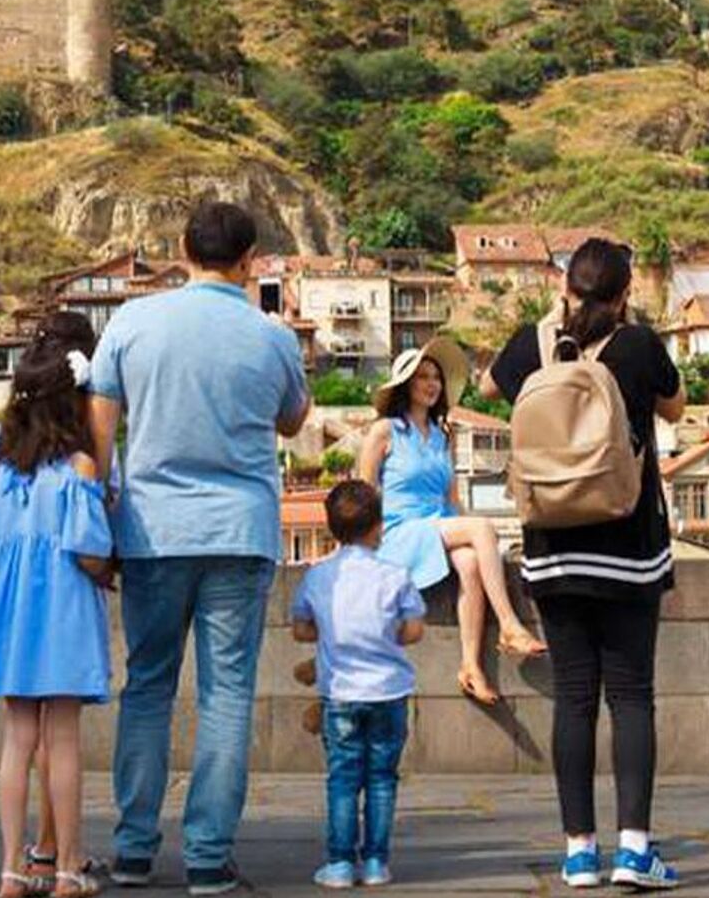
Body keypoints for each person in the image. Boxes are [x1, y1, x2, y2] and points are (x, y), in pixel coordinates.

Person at [90, 202, 312, 897]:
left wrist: (100, 522)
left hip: (152, 530)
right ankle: (209, 858)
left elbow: (100, 432)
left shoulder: (131, 322)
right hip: (240, 532)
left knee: (148, 686)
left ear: (181, 250)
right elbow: (294, 419)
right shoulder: (271, 335)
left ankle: (133, 850)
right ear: (250, 261)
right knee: (227, 694)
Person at [481, 237, 685, 891]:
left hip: (553, 545)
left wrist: (551, 326)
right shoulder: (638, 345)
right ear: (626, 294)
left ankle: (577, 853)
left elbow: (487, 385)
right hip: (629, 544)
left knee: (573, 697)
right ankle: (635, 851)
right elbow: (675, 407)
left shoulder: (535, 344)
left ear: (566, 288)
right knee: (631, 695)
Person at [0, 342, 117, 898]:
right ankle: (68, 870)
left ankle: (11, 870)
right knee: (63, 738)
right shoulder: (78, 467)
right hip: (63, 605)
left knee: (18, 738)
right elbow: (90, 550)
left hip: (8, 607)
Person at [356, 338, 546, 707]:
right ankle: (509, 624)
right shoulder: (385, 431)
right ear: (405, 385)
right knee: (482, 527)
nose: (432, 384)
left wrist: (467, 538)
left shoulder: (443, 435)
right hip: (399, 529)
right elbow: (364, 494)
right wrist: (357, 550)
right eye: (422, 377)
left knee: (471, 562)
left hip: (437, 524)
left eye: (436, 378)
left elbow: (452, 499)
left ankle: (471, 667)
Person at [291, 480, 426, 891]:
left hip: (340, 694)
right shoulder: (395, 574)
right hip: (389, 692)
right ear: (378, 527)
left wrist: (331, 633)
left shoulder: (318, 576)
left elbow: (300, 628)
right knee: (382, 777)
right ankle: (375, 863)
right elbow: (414, 630)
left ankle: (338, 863)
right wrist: (386, 636)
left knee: (343, 778)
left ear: (332, 528)